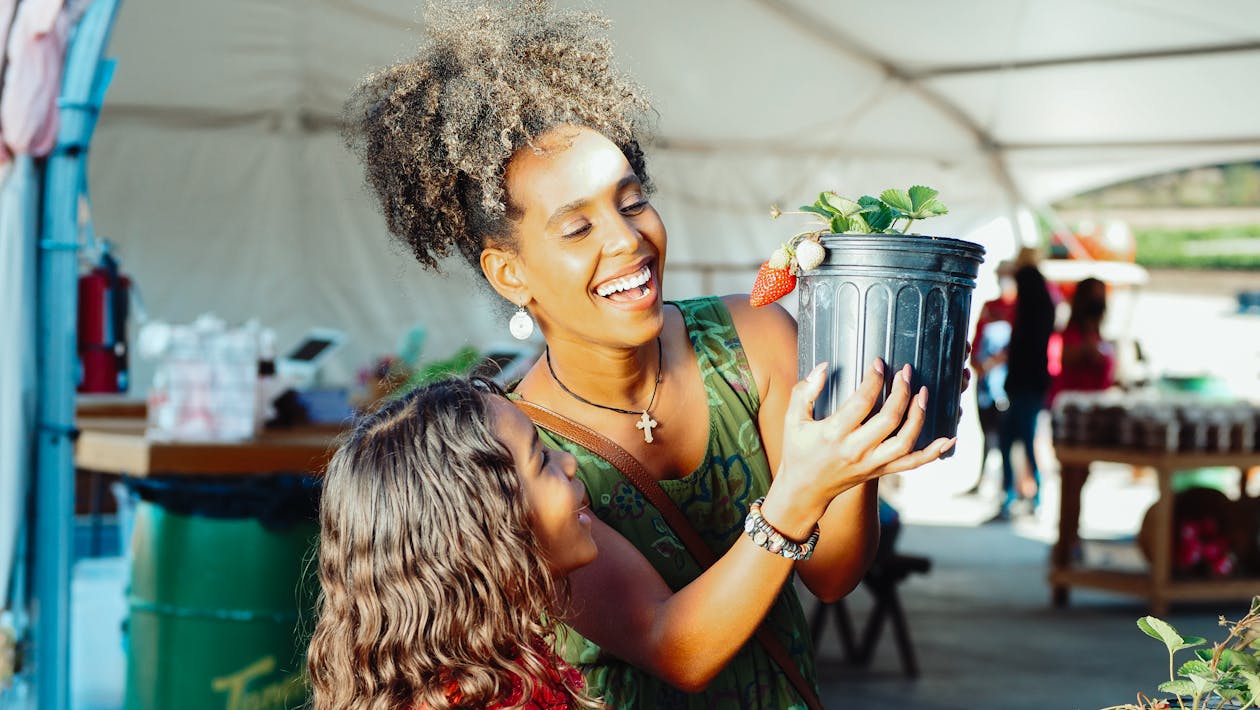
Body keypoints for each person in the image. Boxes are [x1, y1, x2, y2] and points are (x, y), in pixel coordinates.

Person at [342, 2, 956, 706]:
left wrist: (859, 447)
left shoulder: (753, 339)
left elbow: (833, 577)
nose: (627, 240)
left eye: (631, 203)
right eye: (576, 228)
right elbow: (673, 646)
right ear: (510, 274)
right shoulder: (514, 454)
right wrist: (798, 495)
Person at [307, 377, 601, 709]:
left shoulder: (492, 665)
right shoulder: (484, 696)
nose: (569, 462)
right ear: (477, 537)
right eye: (542, 461)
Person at [994, 250, 1056, 520]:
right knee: (1018, 440)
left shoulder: (1032, 303)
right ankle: (1025, 497)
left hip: (1025, 383)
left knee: (1018, 440)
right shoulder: (1044, 302)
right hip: (1030, 382)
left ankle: (1023, 497)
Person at [965, 259, 1016, 494]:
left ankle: (1010, 484)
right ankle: (985, 478)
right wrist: (979, 365)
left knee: (1008, 435)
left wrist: (994, 362)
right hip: (986, 381)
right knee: (989, 432)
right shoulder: (990, 305)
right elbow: (976, 341)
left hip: (1006, 382)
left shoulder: (1018, 309)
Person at [1048, 277, 1115, 406]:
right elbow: (1065, 359)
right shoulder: (1071, 334)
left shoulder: (1098, 336)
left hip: (1096, 403)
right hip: (1074, 406)